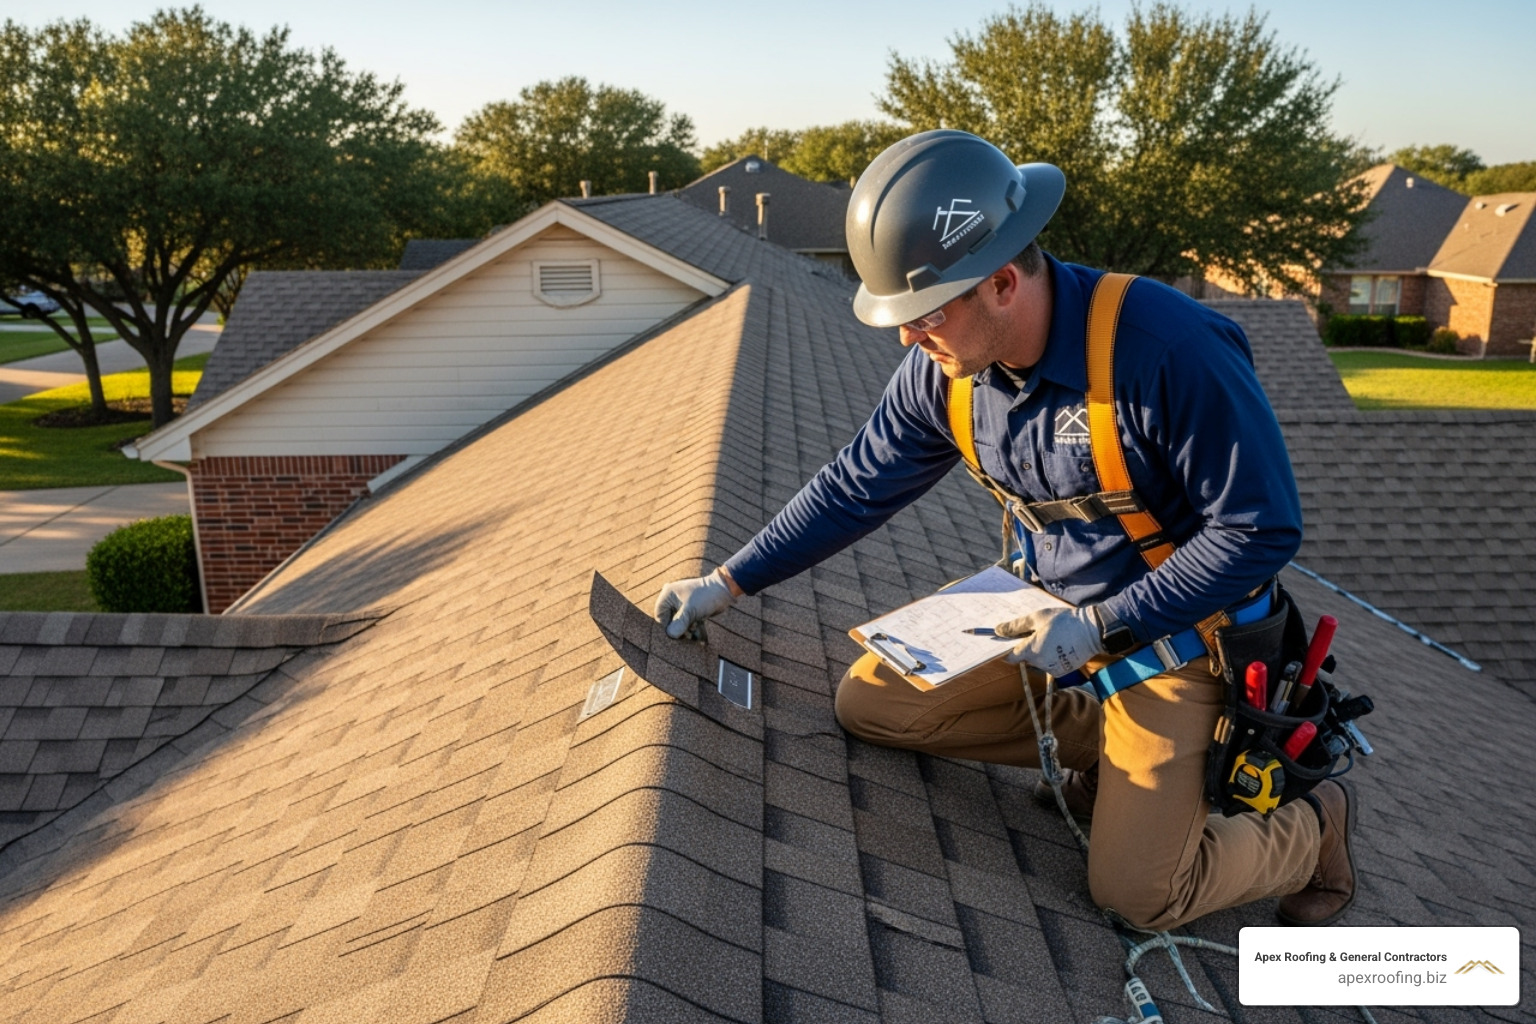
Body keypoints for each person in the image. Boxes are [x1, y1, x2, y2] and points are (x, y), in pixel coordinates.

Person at [654, 130, 1357, 931]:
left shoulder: (1167, 352)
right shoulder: (943, 369)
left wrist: (1103, 624)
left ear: (1001, 282)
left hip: (1178, 635)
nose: (905, 338)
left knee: (1140, 896)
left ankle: (1315, 828)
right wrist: (730, 579)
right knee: (874, 703)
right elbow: (857, 485)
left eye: (923, 314)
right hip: (1038, 612)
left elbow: (1258, 531)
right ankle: (1104, 743)